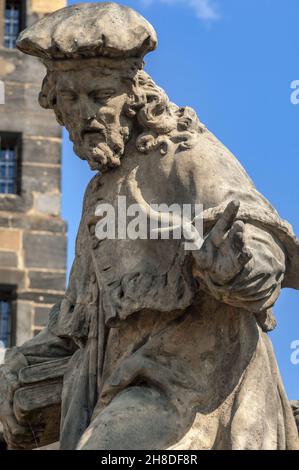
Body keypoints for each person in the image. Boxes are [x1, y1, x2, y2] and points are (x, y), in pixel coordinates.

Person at [0, 3, 298, 450]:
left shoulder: (185, 155)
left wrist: (238, 266)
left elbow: (259, 241)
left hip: (192, 393)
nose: (84, 115)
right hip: (119, 391)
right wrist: (18, 367)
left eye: (99, 96)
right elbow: (80, 318)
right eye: (69, 100)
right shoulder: (99, 193)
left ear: (133, 93)